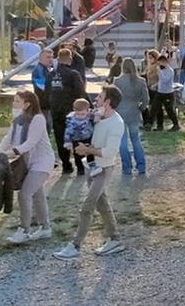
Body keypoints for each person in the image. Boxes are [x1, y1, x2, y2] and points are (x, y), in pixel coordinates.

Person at [54, 85, 126, 261]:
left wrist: (87, 150)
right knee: (102, 204)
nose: (96, 101)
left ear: (108, 102)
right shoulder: (96, 117)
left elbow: (109, 152)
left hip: (103, 169)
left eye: (100, 98)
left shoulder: (117, 123)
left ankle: (75, 246)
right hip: (91, 166)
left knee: (87, 207)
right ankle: (115, 239)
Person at [0, 91, 55, 245]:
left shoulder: (38, 119)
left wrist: (12, 152)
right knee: (37, 195)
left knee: (25, 194)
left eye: (17, 101)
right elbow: (8, 138)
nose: (13, 104)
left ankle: (24, 229)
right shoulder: (18, 119)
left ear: (27, 104)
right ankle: (45, 228)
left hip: (42, 162)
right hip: (28, 163)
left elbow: (31, 142)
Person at [46, 48, 87, 175]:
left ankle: (66, 165)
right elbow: (81, 92)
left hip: (56, 110)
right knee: (76, 137)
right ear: (70, 59)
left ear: (58, 59)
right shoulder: (73, 74)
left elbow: (47, 92)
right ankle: (80, 166)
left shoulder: (51, 74)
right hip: (71, 111)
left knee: (60, 138)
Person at [112, 58, 149, 175]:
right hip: (134, 111)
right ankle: (141, 166)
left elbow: (113, 98)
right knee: (136, 139)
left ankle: (126, 167)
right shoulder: (141, 81)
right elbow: (146, 99)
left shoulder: (117, 81)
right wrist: (141, 107)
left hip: (120, 112)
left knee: (122, 141)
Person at [64, 99, 100, 177]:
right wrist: (68, 141)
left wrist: (98, 114)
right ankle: (80, 169)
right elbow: (68, 131)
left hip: (88, 137)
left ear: (87, 111)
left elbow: (96, 113)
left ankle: (92, 166)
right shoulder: (71, 120)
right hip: (76, 139)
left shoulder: (90, 115)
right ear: (74, 110)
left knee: (90, 152)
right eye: (78, 114)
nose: (80, 116)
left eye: (82, 114)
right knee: (77, 154)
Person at [152, 54, 177, 131]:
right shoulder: (161, 70)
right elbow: (161, 81)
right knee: (157, 108)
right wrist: (155, 85)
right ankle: (160, 125)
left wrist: (159, 72)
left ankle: (176, 125)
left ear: (165, 62)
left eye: (161, 63)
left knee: (169, 110)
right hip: (160, 92)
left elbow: (165, 80)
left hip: (168, 93)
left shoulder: (170, 71)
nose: (160, 65)